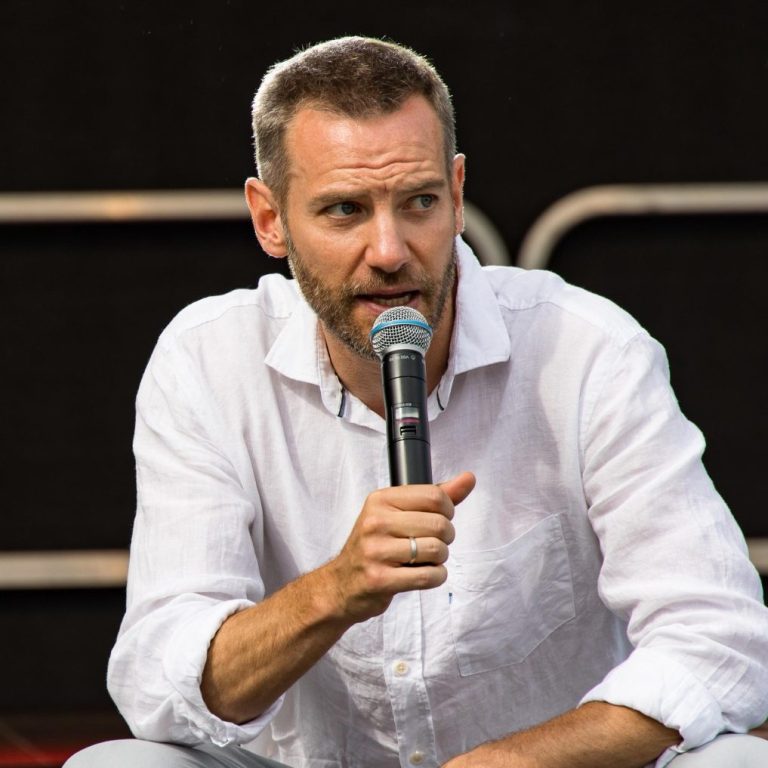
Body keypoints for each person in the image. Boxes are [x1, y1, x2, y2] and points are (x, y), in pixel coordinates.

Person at [66, 37, 768, 768]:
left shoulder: (589, 350)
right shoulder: (208, 359)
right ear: (270, 219)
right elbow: (160, 683)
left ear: (458, 195)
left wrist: (513, 762)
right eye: (344, 210)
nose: (390, 250)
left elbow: (720, 640)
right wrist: (335, 591)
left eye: (419, 202)